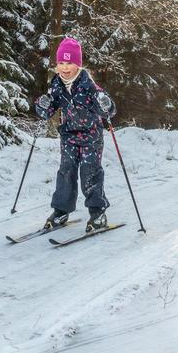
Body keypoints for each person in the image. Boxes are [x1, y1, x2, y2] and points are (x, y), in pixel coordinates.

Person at [35, 37, 116, 233]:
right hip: (69, 136)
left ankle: (97, 213)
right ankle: (61, 211)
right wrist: (42, 104)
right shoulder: (56, 85)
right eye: (61, 63)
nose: (64, 68)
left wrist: (106, 104)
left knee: (90, 173)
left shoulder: (89, 85)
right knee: (66, 171)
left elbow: (107, 111)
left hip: (91, 136)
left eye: (69, 63)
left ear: (78, 64)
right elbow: (46, 112)